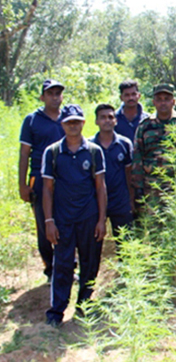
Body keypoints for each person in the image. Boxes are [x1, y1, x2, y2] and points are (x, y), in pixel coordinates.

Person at [41, 104, 107, 327]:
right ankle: (57, 311)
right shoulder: (52, 152)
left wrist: (101, 220)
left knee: (90, 263)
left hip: (88, 217)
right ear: (62, 124)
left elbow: (100, 187)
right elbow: (47, 189)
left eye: (76, 122)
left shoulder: (94, 151)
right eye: (69, 122)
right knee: (63, 264)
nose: (73, 126)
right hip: (62, 219)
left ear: (83, 123)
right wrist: (49, 221)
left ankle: (84, 305)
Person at [19, 79, 66, 281]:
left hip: (66, 178)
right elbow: (24, 153)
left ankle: (67, 266)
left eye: (58, 93)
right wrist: (22, 184)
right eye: (50, 94)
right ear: (42, 97)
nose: (55, 97)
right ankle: (50, 268)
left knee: (66, 222)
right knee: (44, 222)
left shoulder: (68, 117)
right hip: (39, 178)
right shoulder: (32, 120)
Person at [132, 84, 176, 203]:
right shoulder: (145, 126)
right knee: (153, 221)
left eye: (167, 99)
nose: (163, 103)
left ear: (173, 101)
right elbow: (138, 158)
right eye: (159, 99)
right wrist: (138, 188)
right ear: (153, 102)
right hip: (152, 188)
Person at [90, 104, 135, 242]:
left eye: (110, 117)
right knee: (93, 245)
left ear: (116, 121)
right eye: (103, 117)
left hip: (120, 202)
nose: (107, 120)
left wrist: (131, 200)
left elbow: (129, 174)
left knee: (126, 245)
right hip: (94, 202)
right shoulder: (89, 146)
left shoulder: (124, 143)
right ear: (96, 121)